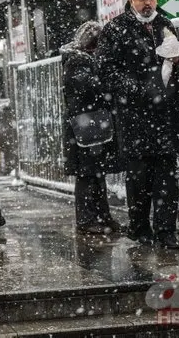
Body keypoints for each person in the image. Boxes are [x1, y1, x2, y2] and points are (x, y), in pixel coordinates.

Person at [95, 0, 179, 250]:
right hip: (135, 116)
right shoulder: (116, 29)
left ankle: (166, 231)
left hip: (166, 114)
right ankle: (139, 227)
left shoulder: (165, 24)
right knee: (139, 177)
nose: (147, 3)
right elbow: (106, 71)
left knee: (167, 177)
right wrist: (138, 90)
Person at [61, 21, 121, 235]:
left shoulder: (79, 60)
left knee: (96, 173)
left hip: (88, 124)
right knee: (89, 174)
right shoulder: (78, 61)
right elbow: (89, 87)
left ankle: (101, 217)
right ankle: (87, 219)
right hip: (85, 125)